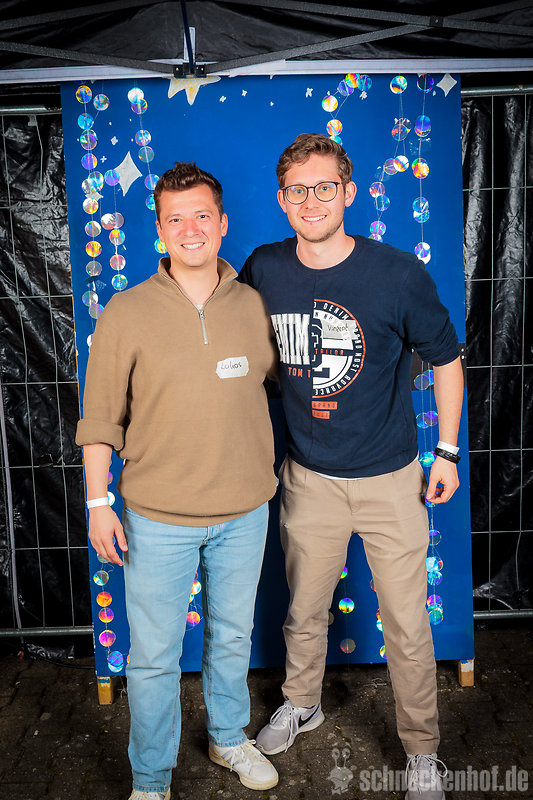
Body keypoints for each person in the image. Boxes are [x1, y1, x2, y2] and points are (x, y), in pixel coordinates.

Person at [239, 133, 464, 800]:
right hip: (307, 477)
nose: (311, 201)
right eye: (297, 190)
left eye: (324, 187)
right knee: (304, 611)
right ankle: (301, 702)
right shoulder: (263, 268)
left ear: (349, 192)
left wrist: (447, 451)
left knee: (407, 625)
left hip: (391, 480)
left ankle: (421, 751)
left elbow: (448, 361)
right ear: (281, 199)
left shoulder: (396, 274)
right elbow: (232, 348)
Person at [76, 162, 279, 800]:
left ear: (223, 223)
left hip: (245, 511)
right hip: (156, 518)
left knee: (233, 637)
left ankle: (227, 736)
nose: (190, 230)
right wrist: (99, 502)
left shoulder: (254, 304)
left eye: (201, 216)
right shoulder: (127, 311)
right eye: (175, 219)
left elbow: (288, 387)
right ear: (160, 231)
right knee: (154, 657)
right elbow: (99, 417)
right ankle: (150, 778)